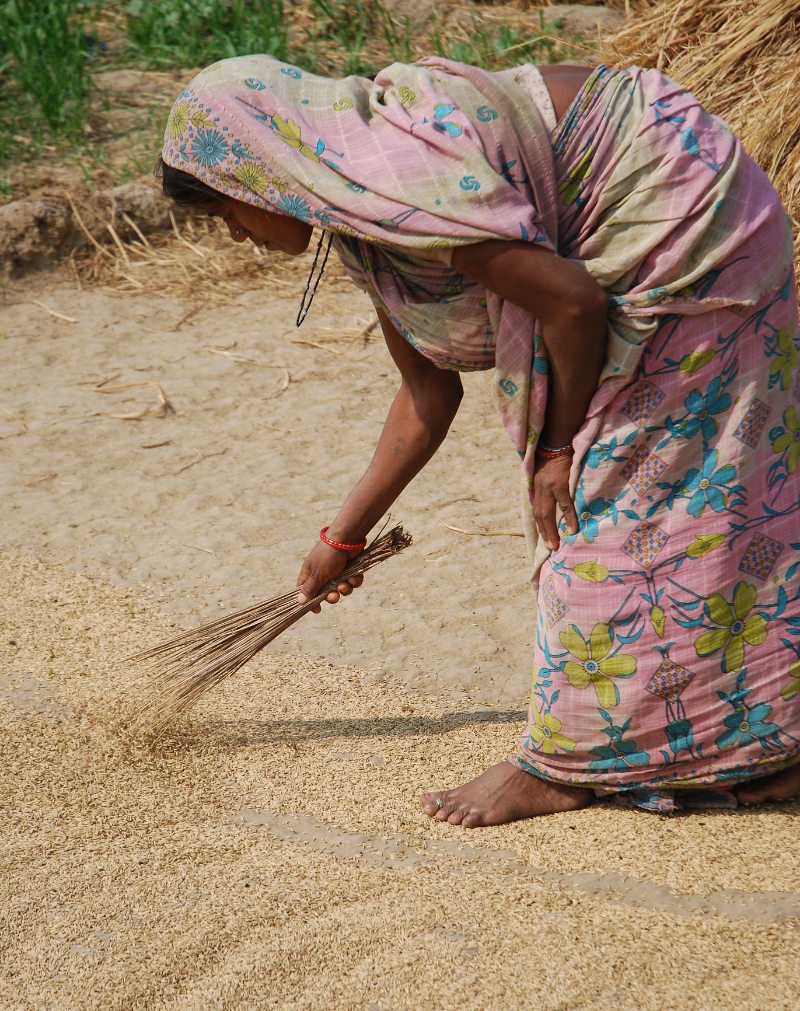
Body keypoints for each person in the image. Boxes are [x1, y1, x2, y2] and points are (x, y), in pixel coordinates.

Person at [158, 52, 800, 824]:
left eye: (223, 212)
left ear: (256, 173)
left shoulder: (395, 178)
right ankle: (767, 747)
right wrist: (344, 537)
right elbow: (428, 392)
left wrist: (557, 449)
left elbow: (570, 303)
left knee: (601, 506)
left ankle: (562, 766)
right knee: (685, 507)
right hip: (664, 205)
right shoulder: (356, 204)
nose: (233, 233)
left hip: (683, 217)